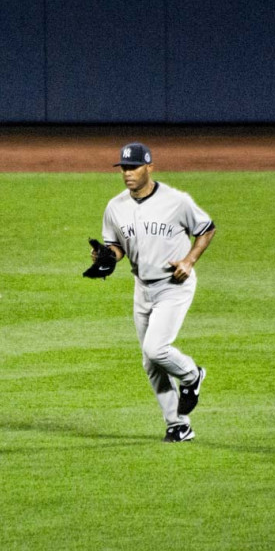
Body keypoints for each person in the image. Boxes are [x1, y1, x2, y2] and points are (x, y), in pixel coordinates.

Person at [91, 142, 216, 442]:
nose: (127, 174)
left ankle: (191, 375)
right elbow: (117, 246)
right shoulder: (115, 207)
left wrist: (189, 260)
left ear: (150, 167)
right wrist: (108, 258)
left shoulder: (176, 201)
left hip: (174, 286)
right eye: (123, 168)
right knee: (150, 362)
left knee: (155, 349)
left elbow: (206, 228)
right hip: (142, 288)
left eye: (133, 167)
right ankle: (178, 425)